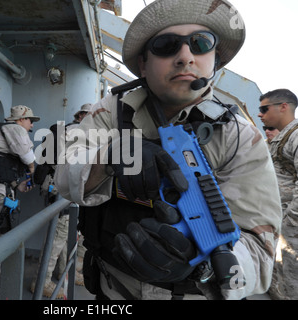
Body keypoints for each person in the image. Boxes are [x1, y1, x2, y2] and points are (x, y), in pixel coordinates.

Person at [54, 0, 282, 300]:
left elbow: (260, 256)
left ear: (214, 60)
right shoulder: (113, 110)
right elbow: (64, 175)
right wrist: (108, 157)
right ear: (143, 65)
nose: (185, 57)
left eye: (201, 43)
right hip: (112, 289)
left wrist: (202, 266)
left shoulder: (238, 136)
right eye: (166, 45)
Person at [30, 104, 92, 299]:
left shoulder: (72, 131)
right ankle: (41, 282)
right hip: (62, 191)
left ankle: (67, 273)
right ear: (81, 115)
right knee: (58, 237)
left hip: (64, 190)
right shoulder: (78, 132)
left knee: (69, 234)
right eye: (89, 115)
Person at [258, 89, 298, 300]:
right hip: (278, 220)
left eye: (264, 109)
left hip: (291, 226)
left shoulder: (296, 136)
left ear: (283, 107)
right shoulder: (282, 138)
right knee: (277, 273)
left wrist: (289, 221)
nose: (259, 114)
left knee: (291, 279)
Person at [0, 105, 39, 234]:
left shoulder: (2, 129)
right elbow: (27, 156)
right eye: (31, 121)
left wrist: (16, 185)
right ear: (21, 119)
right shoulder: (15, 129)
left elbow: (2, 167)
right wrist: (32, 170)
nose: (32, 125)